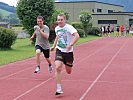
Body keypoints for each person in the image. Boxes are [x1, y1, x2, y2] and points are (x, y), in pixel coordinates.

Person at [51, 14, 79, 95]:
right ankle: (59, 89)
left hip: (68, 53)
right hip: (59, 50)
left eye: (61, 20)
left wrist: (70, 45)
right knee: (58, 67)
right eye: (58, 20)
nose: (59, 21)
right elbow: (57, 37)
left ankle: (70, 63)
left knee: (68, 71)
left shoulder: (69, 27)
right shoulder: (57, 28)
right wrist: (53, 46)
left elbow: (77, 36)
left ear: (64, 20)